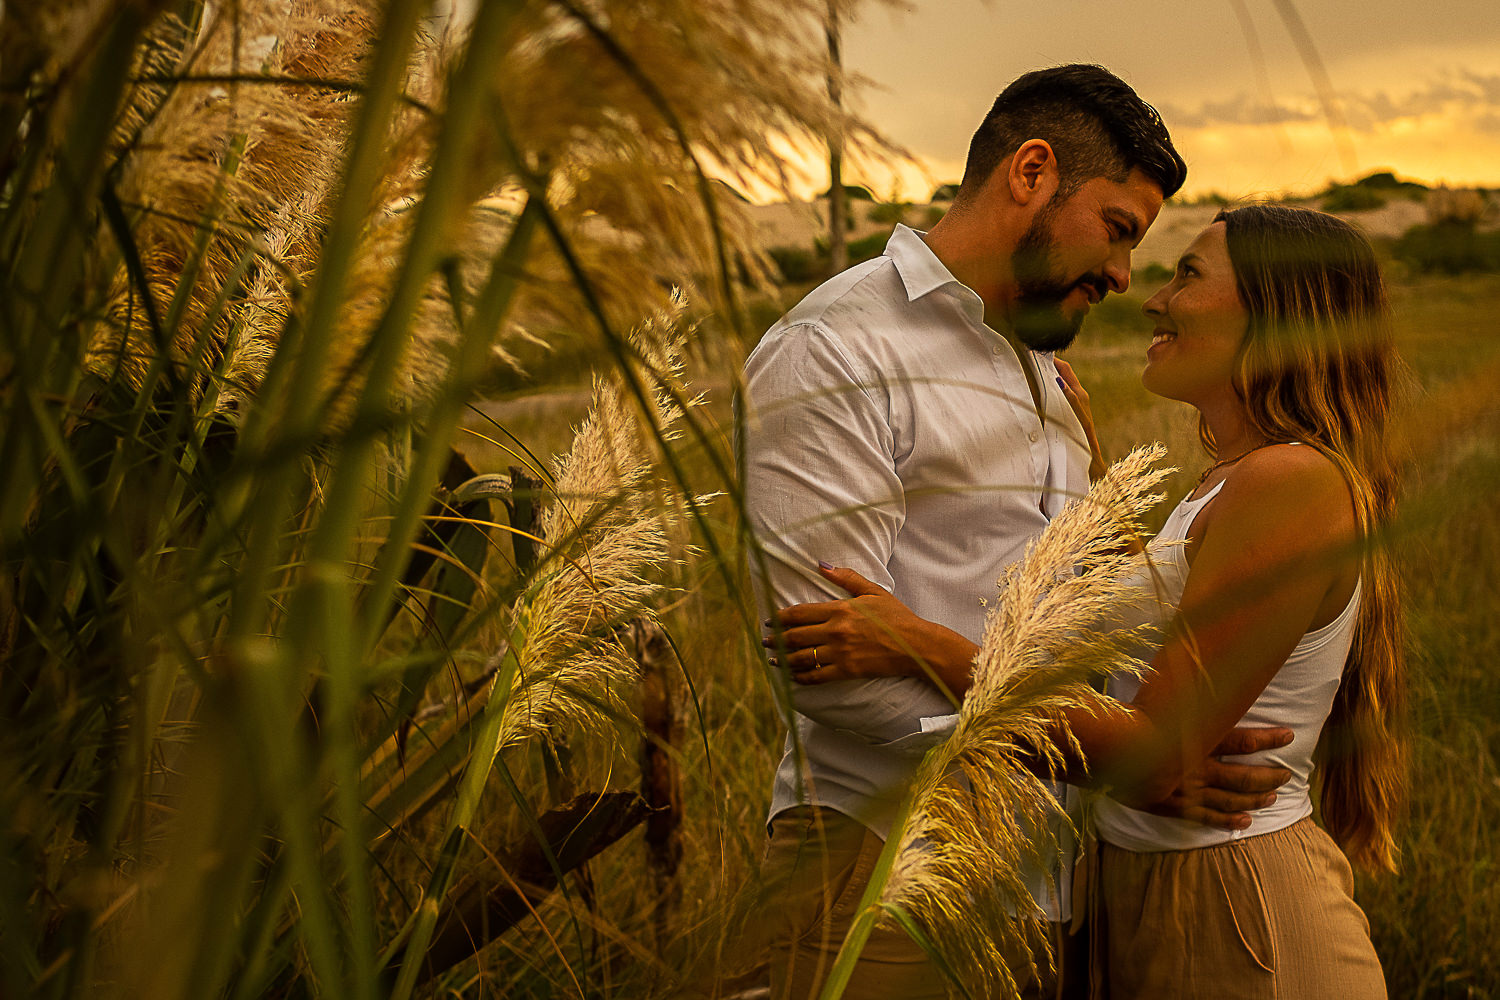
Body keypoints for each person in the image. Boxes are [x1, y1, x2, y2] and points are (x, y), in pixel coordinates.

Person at [740, 65, 1293, 1000]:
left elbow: (1076, 624)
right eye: (1118, 230)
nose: (1123, 276)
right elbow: (827, 671)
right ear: (1031, 173)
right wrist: (1119, 762)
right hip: (884, 875)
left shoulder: (1040, 368)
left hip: (1054, 892)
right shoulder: (836, 348)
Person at [768, 204, 1405, 998]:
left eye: (1188, 275)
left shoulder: (1291, 481)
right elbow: (1151, 647)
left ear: (1276, 314)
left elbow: (1149, 752)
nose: (1153, 298)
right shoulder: (1231, 485)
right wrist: (1093, 478)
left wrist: (922, 645)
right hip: (1152, 896)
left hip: (1236, 907)